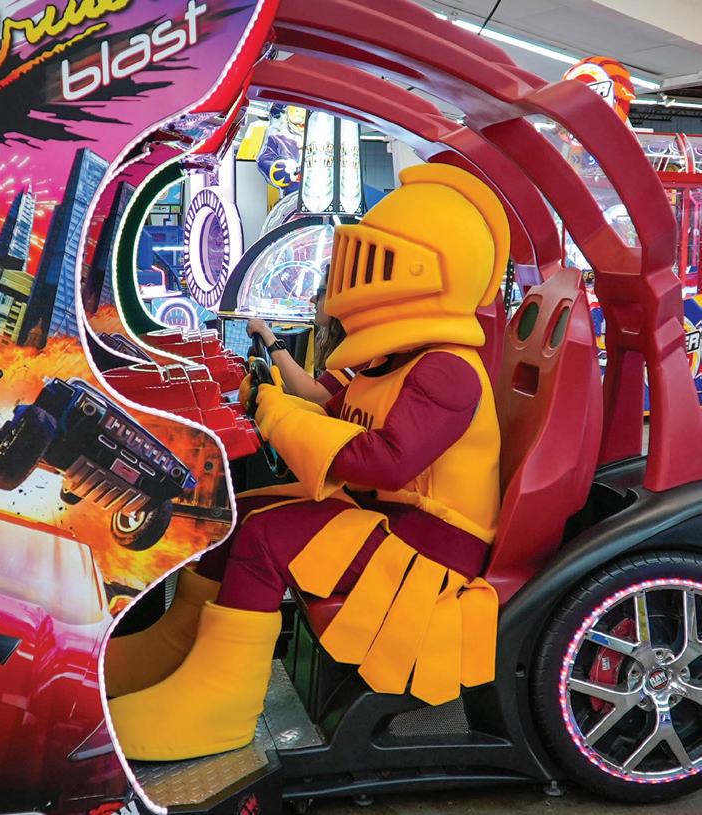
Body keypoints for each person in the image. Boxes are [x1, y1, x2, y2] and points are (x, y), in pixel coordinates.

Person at [105, 164, 509, 762]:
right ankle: (179, 650)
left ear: (421, 275)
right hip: (388, 519)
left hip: (430, 547)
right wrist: (269, 397)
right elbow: (331, 410)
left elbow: (384, 463)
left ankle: (220, 706)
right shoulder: (394, 360)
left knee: (267, 538)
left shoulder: (447, 370)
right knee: (235, 515)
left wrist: (276, 415)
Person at [245, 276, 357, 406]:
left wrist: (267, 335)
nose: (312, 299)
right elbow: (301, 394)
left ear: (342, 298)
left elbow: (314, 396)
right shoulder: (342, 344)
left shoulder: (358, 351)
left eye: (321, 292)